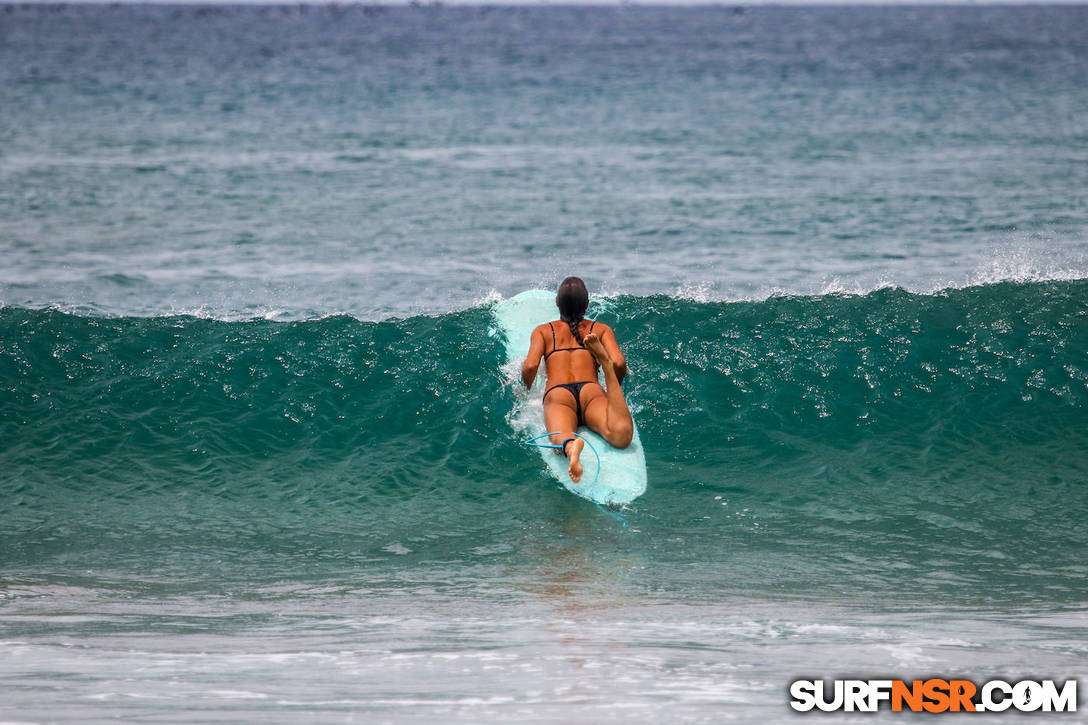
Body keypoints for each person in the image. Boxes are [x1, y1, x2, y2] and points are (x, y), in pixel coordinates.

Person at [521, 277, 633, 484]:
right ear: (587, 305)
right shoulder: (601, 329)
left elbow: (530, 366)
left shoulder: (543, 331)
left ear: (557, 303)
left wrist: (525, 391)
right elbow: (619, 363)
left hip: (558, 393)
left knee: (559, 437)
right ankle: (603, 365)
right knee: (620, 436)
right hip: (591, 391)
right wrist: (615, 384)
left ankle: (572, 447)